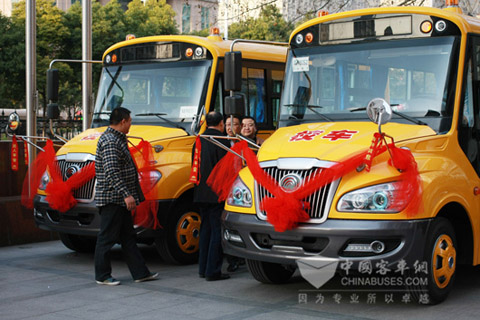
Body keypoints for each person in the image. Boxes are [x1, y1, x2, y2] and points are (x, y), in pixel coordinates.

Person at [94, 107, 158, 286]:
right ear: (123, 121)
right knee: (106, 238)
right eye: (130, 121)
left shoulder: (117, 139)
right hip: (112, 199)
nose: (131, 124)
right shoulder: (110, 141)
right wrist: (126, 194)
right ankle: (102, 275)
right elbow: (112, 172)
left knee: (128, 237)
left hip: (120, 199)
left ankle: (140, 273)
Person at [193, 111, 231, 281]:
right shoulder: (221, 141)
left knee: (205, 229)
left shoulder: (199, 140)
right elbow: (226, 169)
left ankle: (202, 268)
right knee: (217, 231)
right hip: (216, 192)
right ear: (222, 123)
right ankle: (213, 271)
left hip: (200, 191)